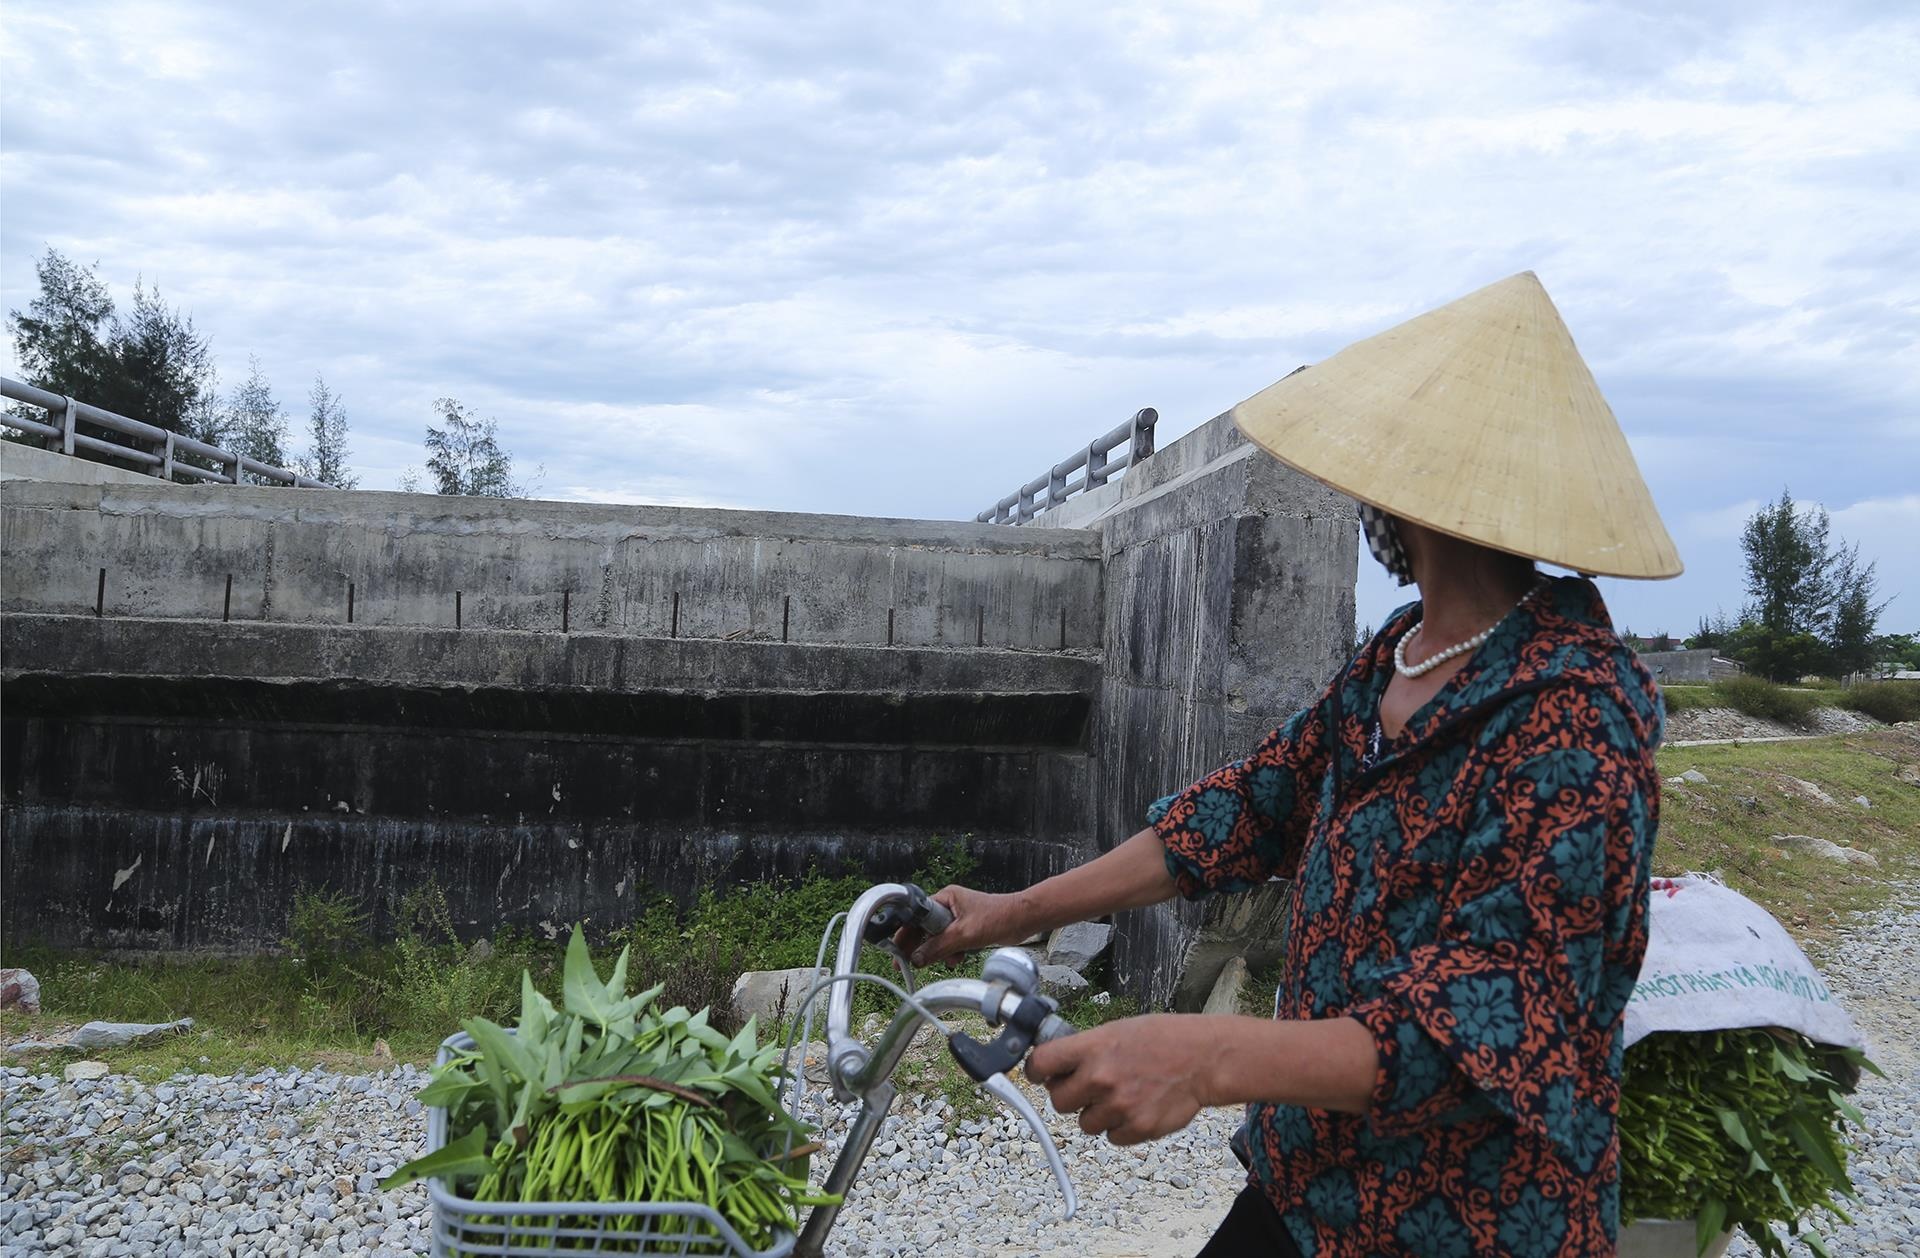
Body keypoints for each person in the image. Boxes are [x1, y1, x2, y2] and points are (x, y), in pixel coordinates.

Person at [903, 273, 1683, 1256]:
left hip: (1470, 1222)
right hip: (1312, 1189)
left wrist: (1204, 1055)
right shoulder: (1396, 656)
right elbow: (1247, 810)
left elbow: (1496, 1022)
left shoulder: (1577, 714)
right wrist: (1014, 911)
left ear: (1412, 490)